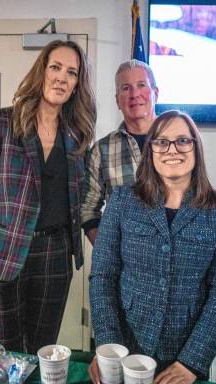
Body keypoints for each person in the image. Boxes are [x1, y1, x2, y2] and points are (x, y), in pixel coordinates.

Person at [88, 110, 216, 384]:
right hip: (125, 349)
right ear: (151, 151)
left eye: (183, 140)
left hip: (184, 360)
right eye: (161, 142)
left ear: (196, 148)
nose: (172, 150)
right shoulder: (122, 200)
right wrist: (108, 347)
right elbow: (102, 276)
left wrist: (191, 362)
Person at [0, 40, 96, 354]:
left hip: (55, 256)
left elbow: (83, 199)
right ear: (41, 72)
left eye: (72, 72)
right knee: (2, 354)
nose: (62, 77)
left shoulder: (78, 135)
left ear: (76, 85)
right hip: (2, 255)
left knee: (41, 351)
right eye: (55, 67)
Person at [81, 59, 159, 245]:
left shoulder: (181, 141)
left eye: (141, 85)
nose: (135, 94)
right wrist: (108, 254)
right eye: (126, 88)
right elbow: (88, 210)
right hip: (124, 268)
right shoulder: (101, 150)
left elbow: (196, 200)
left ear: (156, 93)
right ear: (117, 100)